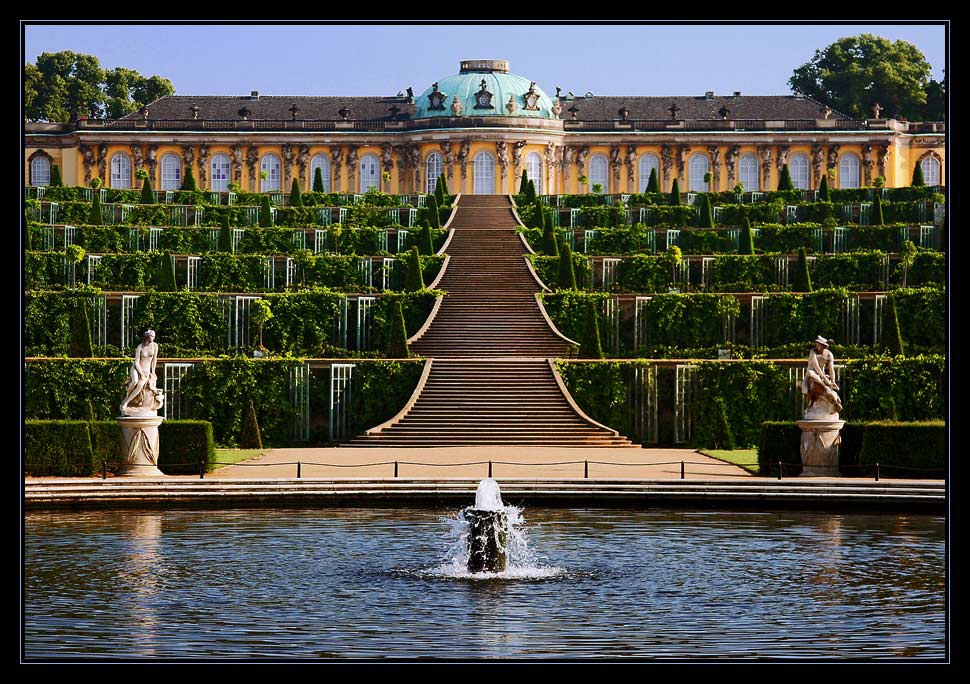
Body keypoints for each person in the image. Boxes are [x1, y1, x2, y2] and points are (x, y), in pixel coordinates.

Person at [120, 329, 164, 415]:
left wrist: (153, 372)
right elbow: (136, 362)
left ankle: (126, 402)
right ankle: (127, 399)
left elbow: (154, 360)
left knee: (140, 384)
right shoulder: (140, 347)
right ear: (147, 337)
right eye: (152, 336)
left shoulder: (155, 346)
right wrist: (141, 373)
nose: (153, 338)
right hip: (137, 368)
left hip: (147, 370)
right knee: (135, 381)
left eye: (154, 337)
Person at [801, 335, 842, 414]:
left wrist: (833, 381)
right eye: (816, 344)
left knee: (828, 379)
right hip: (812, 373)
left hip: (821, 375)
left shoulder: (829, 354)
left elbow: (831, 369)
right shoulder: (813, 351)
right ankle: (824, 388)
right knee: (805, 388)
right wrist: (825, 379)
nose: (816, 345)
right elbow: (816, 367)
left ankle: (833, 401)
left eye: (818, 344)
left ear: (823, 346)